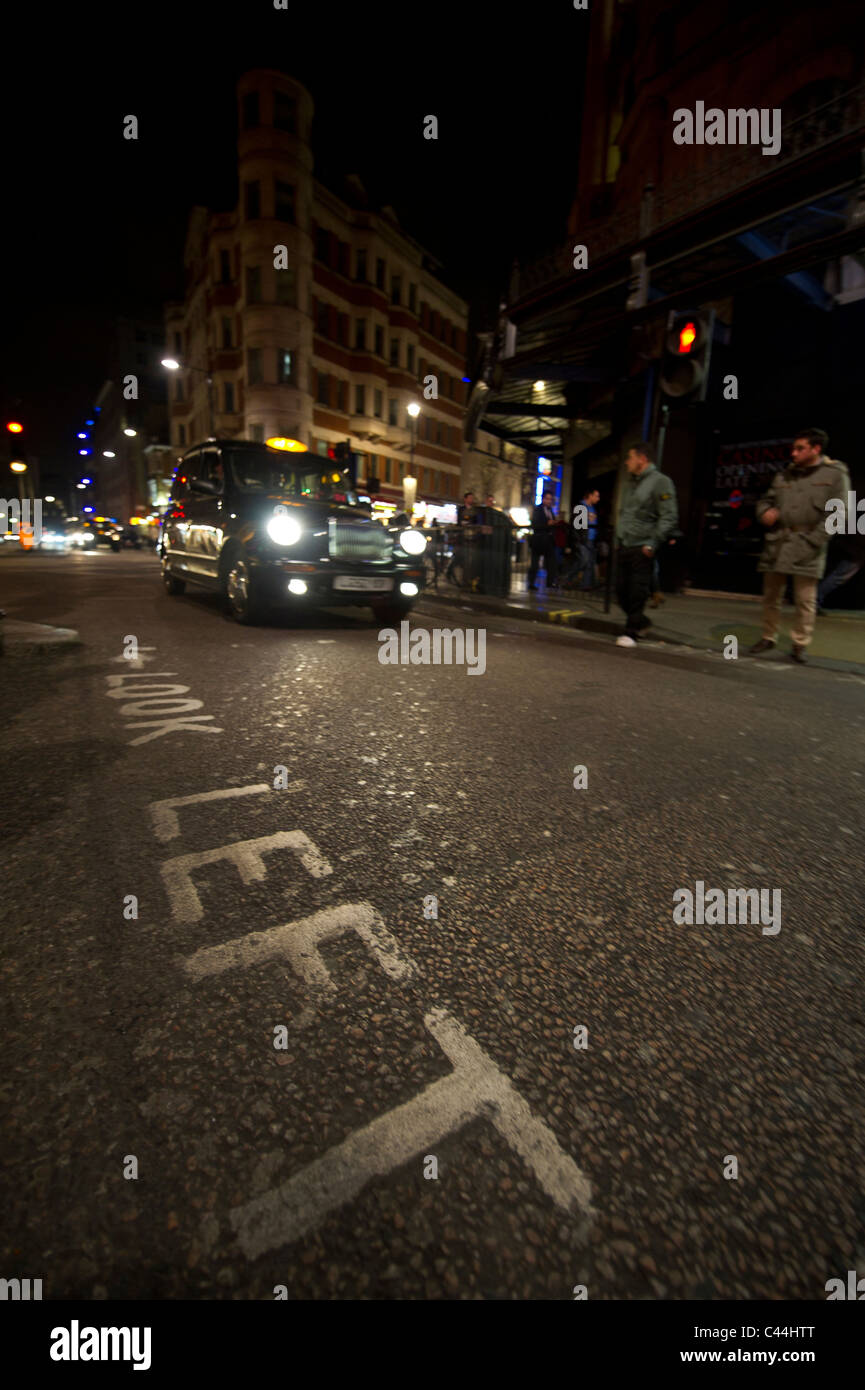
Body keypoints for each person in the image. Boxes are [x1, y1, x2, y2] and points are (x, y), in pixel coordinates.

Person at [748, 428, 850, 664]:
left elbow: (839, 514)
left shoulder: (835, 475)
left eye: (800, 448)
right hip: (779, 542)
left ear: (816, 449)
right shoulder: (785, 475)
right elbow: (766, 500)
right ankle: (768, 636)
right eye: (793, 448)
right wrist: (764, 513)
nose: (793, 453)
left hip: (807, 544)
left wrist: (813, 541)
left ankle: (800, 643)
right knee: (771, 595)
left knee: (805, 599)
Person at [614, 442, 678, 646]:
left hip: (643, 546)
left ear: (642, 459)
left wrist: (652, 542)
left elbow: (669, 516)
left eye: (630, 457)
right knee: (621, 590)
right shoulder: (630, 483)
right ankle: (642, 622)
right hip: (625, 544)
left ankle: (631, 632)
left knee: (637, 591)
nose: (626, 462)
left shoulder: (661, 482)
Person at [817, 530, 865, 614]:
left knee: (836, 577)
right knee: (837, 577)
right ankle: (815, 601)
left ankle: (815, 601)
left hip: (851, 547)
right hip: (854, 549)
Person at [564, 487, 600, 590]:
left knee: (588, 562)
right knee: (584, 560)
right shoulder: (580, 507)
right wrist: (576, 541)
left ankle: (586, 584)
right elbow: (576, 526)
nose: (598, 498)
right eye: (596, 496)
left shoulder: (591, 508)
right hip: (583, 540)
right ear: (590, 496)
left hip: (590, 539)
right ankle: (568, 578)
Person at [528, 489, 558, 590]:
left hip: (548, 540)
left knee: (551, 562)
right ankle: (531, 583)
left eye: (550, 499)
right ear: (543, 499)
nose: (549, 501)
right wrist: (547, 524)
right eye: (547, 499)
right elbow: (535, 523)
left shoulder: (550, 511)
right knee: (535, 564)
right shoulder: (538, 509)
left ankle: (550, 582)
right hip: (538, 540)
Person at [446, 490, 476, 586]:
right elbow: (459, 522)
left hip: (470, 536)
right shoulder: (461, 509)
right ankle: (458, 577)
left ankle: (458, 576)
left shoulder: (475, 510)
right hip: (462, 537)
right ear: (465, 499)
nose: (472, 499)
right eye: (470, 498)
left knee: (462, 557)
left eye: (472, 498)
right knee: (460, 556)